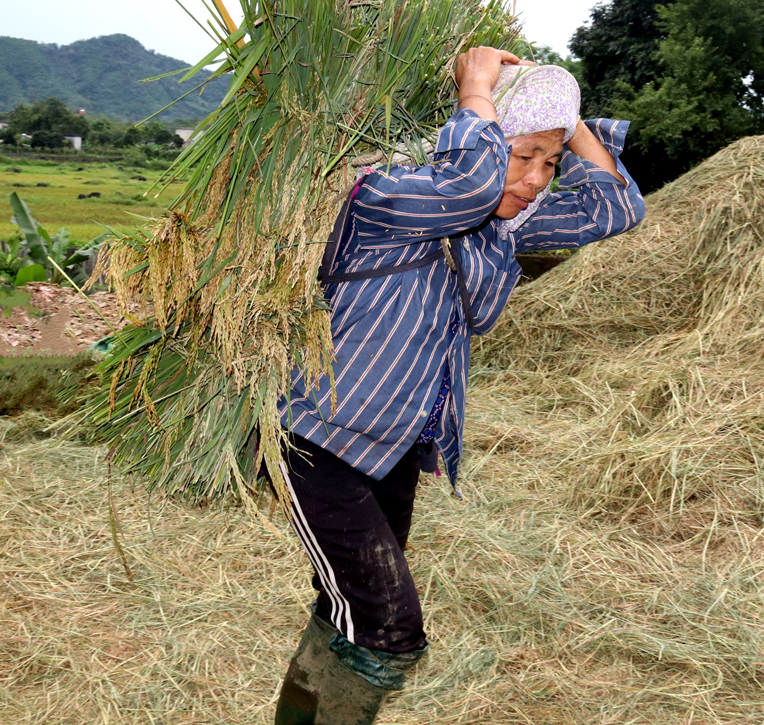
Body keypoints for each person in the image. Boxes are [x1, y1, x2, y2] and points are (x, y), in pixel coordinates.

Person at [273, 46, 645, 724]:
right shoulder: (384, 194)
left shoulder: (499, 226)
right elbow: (466, 185)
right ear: (477, 133)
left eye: (549, 163)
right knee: (389, 632)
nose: (535, 180)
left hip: (392, 453)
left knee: (344, 614)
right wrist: (479, 86)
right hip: (319, 447)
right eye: (522, 154)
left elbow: (617, 207)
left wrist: (563, 111)